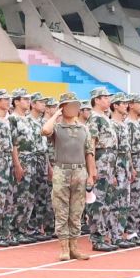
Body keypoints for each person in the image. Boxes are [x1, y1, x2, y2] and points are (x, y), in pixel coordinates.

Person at [41, 92, 96, 261]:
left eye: (76, 106)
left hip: (79, 171)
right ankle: (64, 248)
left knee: (76, 212)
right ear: (63, 107)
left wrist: (91, 175)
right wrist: (56, 115)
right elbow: (45, 130)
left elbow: (89, 152)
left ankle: (74, 247)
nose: (74, 108)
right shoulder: (57, 128)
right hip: (61, 171)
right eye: (70, 105)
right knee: (61, 211)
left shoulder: (84, 129)